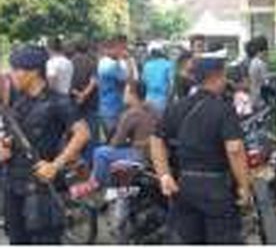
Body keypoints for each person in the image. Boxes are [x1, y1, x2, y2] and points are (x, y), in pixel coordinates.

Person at [150, 54, 249, 244]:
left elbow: (156, 140)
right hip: (216, 188)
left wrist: (164, 174)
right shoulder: (224, 109)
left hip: (184, 186)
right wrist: (244, 186)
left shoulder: (176, 107)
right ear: (217, 76)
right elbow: (235, 150)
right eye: (224, 75)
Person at [0, 45, 90, 244]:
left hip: (41, 189)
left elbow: (83, 133)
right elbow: (15, 134)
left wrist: (56, 164)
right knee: (16, 239)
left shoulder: (59, 101)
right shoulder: (19, 101)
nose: (11, 74)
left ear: (33, 72)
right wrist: (5, 144)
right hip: (13, 185)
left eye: (16, 70)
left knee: (45, 239)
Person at [71, 80, 159, 197]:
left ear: (132, 94)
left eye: (125, 92)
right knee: (106, 153)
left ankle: (97, 185)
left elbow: (116, 143)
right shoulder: (153, 108)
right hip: (153, 153)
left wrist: (117, 141)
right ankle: (103, 188)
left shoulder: (131, 114)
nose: (123, 94)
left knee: (100, 152)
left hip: (139, 154)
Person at [97, 38, 130, 138]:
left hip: (106, 104)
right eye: (118, 49)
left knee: (109, 136)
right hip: (112, 106)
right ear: (110, 49)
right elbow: (127, 78)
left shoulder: (102, 62)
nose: (120, 51)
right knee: (114, 137)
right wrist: (126, 60)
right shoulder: (111, 65)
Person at [141, 43, 173, 114]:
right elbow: (171, 84)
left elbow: (144, 82)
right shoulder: (168, 64)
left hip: (149, 98)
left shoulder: (146, 65)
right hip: (162, 99)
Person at [247, 36, 269, 104]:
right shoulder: (261, 63)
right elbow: (266, 81)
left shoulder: (253, 61)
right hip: (260, 98)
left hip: (253, 95)